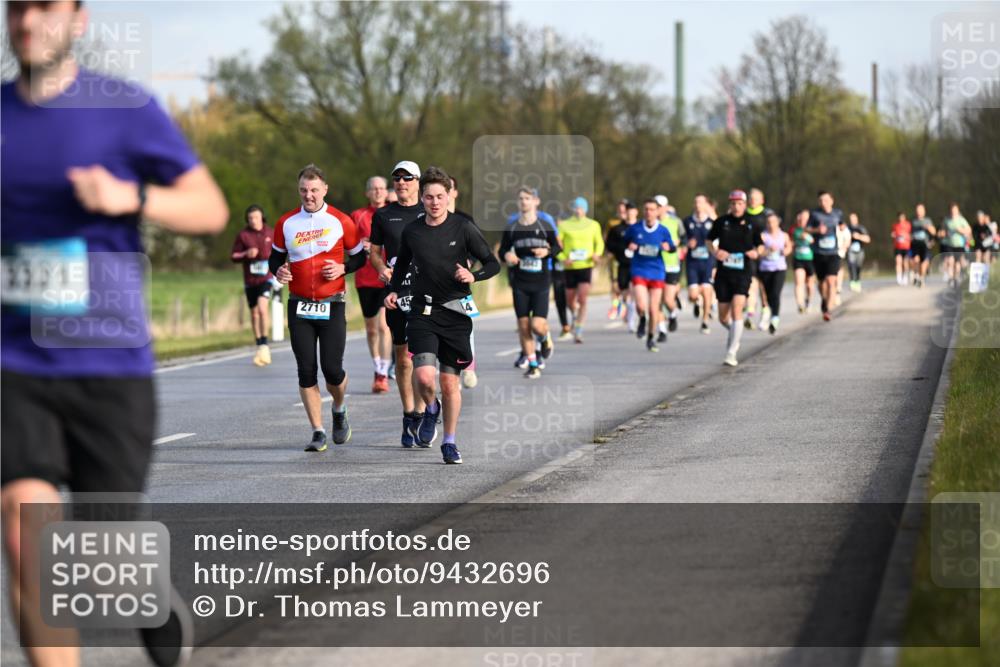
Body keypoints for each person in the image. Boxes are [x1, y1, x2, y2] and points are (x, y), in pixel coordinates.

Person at [1, 2, 229, 666]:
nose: (26, 20)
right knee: (24, 534)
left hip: (109, 363)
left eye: (44, 7)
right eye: (16, 7)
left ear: (78, 20)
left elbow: (209, 207)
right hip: (15, 362)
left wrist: (133, 198)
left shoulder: (124, 108)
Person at [384, 166, 500, 463]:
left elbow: (492, 263)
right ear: (421, 199)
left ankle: (449, 442)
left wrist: (473, 276)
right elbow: (400, 267)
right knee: (424, 377)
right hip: (423, 311)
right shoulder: (413, 231)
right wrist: (394, 290)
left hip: (456, 312)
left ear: (449, 197)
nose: (434, 202)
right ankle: (430, 408)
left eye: (439, 196)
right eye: (429, 197)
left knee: (450, 383)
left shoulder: (463, 228)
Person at [269, 165, 365, 452]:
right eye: (303, 190)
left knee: (333, 370)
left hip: (331, 304)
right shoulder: (286, 223)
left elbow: (360, 258)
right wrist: (279, 272)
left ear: (325, 189)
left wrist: (343, 267)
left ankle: (338, 407)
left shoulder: (341, 221)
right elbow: (274, 259)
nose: (308, 195)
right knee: (306, 371)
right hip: (299, 305)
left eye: (313, 190)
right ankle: (318, 431)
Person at [369, 160, 427, 447]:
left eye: (407, 178)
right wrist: (380, 267)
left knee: (424, 356)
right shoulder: (383, 215)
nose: (401, 183)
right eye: (397, 178)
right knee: (403, 357)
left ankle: (424, 408)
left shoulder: (430, 211)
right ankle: (410, 415)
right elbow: (375, 252)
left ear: (418, 182)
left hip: (427, 293)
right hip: (396, 293)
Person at [500, 187, 561, 378]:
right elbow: (502, 251)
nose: (524, 202)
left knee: (537, 325)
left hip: (541, 281)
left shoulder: (545, 225)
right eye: (521, 199)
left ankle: (545, 338)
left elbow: (558, 247)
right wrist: (507, 255)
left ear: (536, 202)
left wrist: (547, 251)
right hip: (520, 281)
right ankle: (533, 364)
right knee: (523, 325)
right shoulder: (511, 227)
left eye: (527, 198)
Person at [708, 190, 762, 366]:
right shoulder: (721, 222)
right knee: (723, 317)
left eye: (740, 203)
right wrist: (716, 252)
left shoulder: (752, 223)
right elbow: (709, 241)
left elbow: (760, 245)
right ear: (729, 205)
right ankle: (734, 334)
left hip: (743, 271)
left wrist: (756, 252)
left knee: (738, 309)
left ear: (745, 204)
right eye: (733, 203)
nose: (736, 206)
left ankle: (731, 352)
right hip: (724, 272)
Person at [349, 176, 392, 393]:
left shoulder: (392, 213)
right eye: (374, 189)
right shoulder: (358, 216)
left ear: (386, 192)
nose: (377, 192)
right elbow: (348, 244)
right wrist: (361, 245)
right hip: (365, 278)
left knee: (384, 326)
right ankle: (377, 367)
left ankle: (383, 373)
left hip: (387, 276)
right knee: (371, 329)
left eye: (381, 188)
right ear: (368, 193)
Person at [624, 199, 677, 352]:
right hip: (639, 270)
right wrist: (629, 246)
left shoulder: (663, 230)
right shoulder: (635, 229)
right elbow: (625, 241)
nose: (649, 212)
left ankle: (651, 337)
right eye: (646, 209)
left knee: (654, 309)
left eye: (652, 209)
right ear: (643, 211)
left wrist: (669, 248)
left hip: (657, 271)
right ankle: (641, 318)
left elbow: (672, 247)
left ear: (657, 211)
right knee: (641, 305)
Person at [231, 204, 275, 366]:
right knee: (255, 313)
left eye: (256, 217)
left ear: (262, 217)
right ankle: (259, 344)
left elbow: (280, 253)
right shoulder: (243, 235)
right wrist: (245, 254)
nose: (253, 221)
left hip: (266, 277)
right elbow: (233, 256)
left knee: (263, 309)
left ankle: (265, 343)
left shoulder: (270, 233)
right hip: (250, 280)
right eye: (250, 218)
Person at [556, 196, 604, 343]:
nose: (578, 211)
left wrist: (597, 254)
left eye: (581, 208)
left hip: (586, 266)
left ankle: (579, 328)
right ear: (573, 209)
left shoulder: (593, 225)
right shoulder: (564, 225)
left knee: (583, 298)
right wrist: (564, 258)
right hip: (570, 267)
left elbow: (599, 243)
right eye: (576, 208)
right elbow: (557, 246)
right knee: (570, 300)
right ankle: (574, 314)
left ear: (586, 210)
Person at [806, 191, 845, 322]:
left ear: (831, 201)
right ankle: (824, 299)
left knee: (831, 281)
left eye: (826, 200)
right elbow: (806, 229)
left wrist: (843, 229)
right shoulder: (814, 214)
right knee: (822, 283)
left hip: (833, 253)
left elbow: (842, 225)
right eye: (821, 200)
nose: (824, 202)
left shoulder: (838, 213)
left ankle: (828, 309)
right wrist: (817, 230)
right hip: (818, 253)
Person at [684, 193, 716, 334]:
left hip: (707, 261)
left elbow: (717, 243)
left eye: (701, 202)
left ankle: (705, 321)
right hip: (692, 262)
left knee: (707, 291)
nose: (698, 205)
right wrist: (687, 243)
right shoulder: (687, 221)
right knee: (693, 294)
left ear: (706, 205)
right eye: (696, 202)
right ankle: (696, 302)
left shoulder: (712, 223)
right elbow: (681, 238)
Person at [743, 188, 774, 330]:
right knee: (752, 283)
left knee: (763, 286)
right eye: (750, 198)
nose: (752, 200)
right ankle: (750, 313)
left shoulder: (767, 215)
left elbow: (775, 233)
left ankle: (765, 311)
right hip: (749, 255)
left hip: (766, 255)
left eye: (755, 198)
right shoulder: (743, 215)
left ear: (762, 200)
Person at [757, 212, 792, 334]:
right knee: (768, 295)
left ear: (777, 222)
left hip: (779, 268)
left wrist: (784, 251)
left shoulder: (784, 235)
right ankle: (770, 312)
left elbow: (789, 247)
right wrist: (767, 250)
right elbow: (759, 252)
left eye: (773, 222)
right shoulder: (763, 236)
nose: (771, 224)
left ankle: (775, 318)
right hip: (765, 269)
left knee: (775, 293)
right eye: (768, 222)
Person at [655, 194, 684, 339]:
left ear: (665, 207)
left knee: (667, 300)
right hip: (654, 266)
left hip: (671, 264)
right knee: (657, 300)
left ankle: (673, 314)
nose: (657, 209)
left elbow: (684, 238)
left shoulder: (675, 222)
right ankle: (661, 330)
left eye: (659, 206)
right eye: (655, 206)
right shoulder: (649, 223)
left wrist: (679, 244)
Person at [604, 199, 635, 321]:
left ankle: (626, 307)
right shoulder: (613, 224)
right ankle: (617, 305)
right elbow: (607, 239)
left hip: (632, 262)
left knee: (631, 288)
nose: (623, 212)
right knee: (616, 286)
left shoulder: (635, 225)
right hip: (617, 261)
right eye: (621, 210)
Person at [940, 202, 972, 287]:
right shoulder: (946, 220)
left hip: (959, 244)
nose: (953, 211)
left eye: (955, 210)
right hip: (949, 244)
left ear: (957, 210)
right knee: (950, 261)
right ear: (950, 211)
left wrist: (960, 230)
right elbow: (942, 230)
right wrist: (942, 233)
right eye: (952, 210)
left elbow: (969, 230)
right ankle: (951, 278)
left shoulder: (961, 219)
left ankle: (956, 277)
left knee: (957, 263)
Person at [791, 210, 816, 313]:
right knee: (799, 281)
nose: (802, 221)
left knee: (810, 284)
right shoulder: (794, 230)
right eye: (800, 219)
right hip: (798, 259)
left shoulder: (814, 230)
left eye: (805, 219)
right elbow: (795, 236)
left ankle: (809, 301)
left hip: (811, 259)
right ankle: (800, 304)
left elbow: (814, 240)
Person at [910, 203, 936, 287]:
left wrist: (928, 227)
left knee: (924, 263)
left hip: (925, 245)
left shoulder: (928, 220)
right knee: (916, 260)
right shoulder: (913, 221)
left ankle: (921, 278)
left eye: (921, 210)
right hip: (916, 244)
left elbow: (934, 232)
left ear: (924, 211)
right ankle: (916, 274)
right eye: (917, 210)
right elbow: (909, 233)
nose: (919, 212)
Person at [846, 213, 872, 292]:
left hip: (860, 250)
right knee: (851, 265)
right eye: (851, 219)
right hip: (850, 250)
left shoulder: (861, 228)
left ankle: (857, 281)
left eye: (853, 219)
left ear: (857, 219)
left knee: (858, 266)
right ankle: (852, 282)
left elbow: (868, 239)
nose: (852, 220)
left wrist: (859, 236)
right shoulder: (847, 228)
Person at [891, 211, 912, 286]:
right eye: (900, 217)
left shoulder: (908, 225)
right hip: (898, 246)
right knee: (898, 261)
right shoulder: (895, 225)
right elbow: (893, 234)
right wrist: (894, 235)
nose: (901, 218)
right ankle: (899, 277)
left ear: (904, 217)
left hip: (906, 246)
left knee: (905, 262)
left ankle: (905, 276)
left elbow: (911, 234)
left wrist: (907, 237)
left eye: (902, 217)